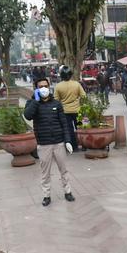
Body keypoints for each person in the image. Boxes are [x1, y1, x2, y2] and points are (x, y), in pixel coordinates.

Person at [25, 77, 76, 207]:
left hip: (59, 142)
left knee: (63, 170)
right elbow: (28, 115)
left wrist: (68, 141)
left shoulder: (56, 104)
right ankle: (46, 195)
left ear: (49, 87)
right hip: (44, 144)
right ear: (36, 89)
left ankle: (68, 192)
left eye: (45, 86)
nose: (43, 89)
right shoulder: (32, 103)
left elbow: (64, 123)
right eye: (40, 86)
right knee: (45, 173)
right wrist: (36, 101)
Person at [54, 65, 84, 137]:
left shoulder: (58, 86)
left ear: (61, 76)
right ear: (70, 75)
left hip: (65, 112)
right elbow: (83, 96)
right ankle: (83, 144)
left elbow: (56, 100)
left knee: (69, 129)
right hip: (77, 111)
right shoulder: (76, 84)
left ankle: (73, 146)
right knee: (80, 128)